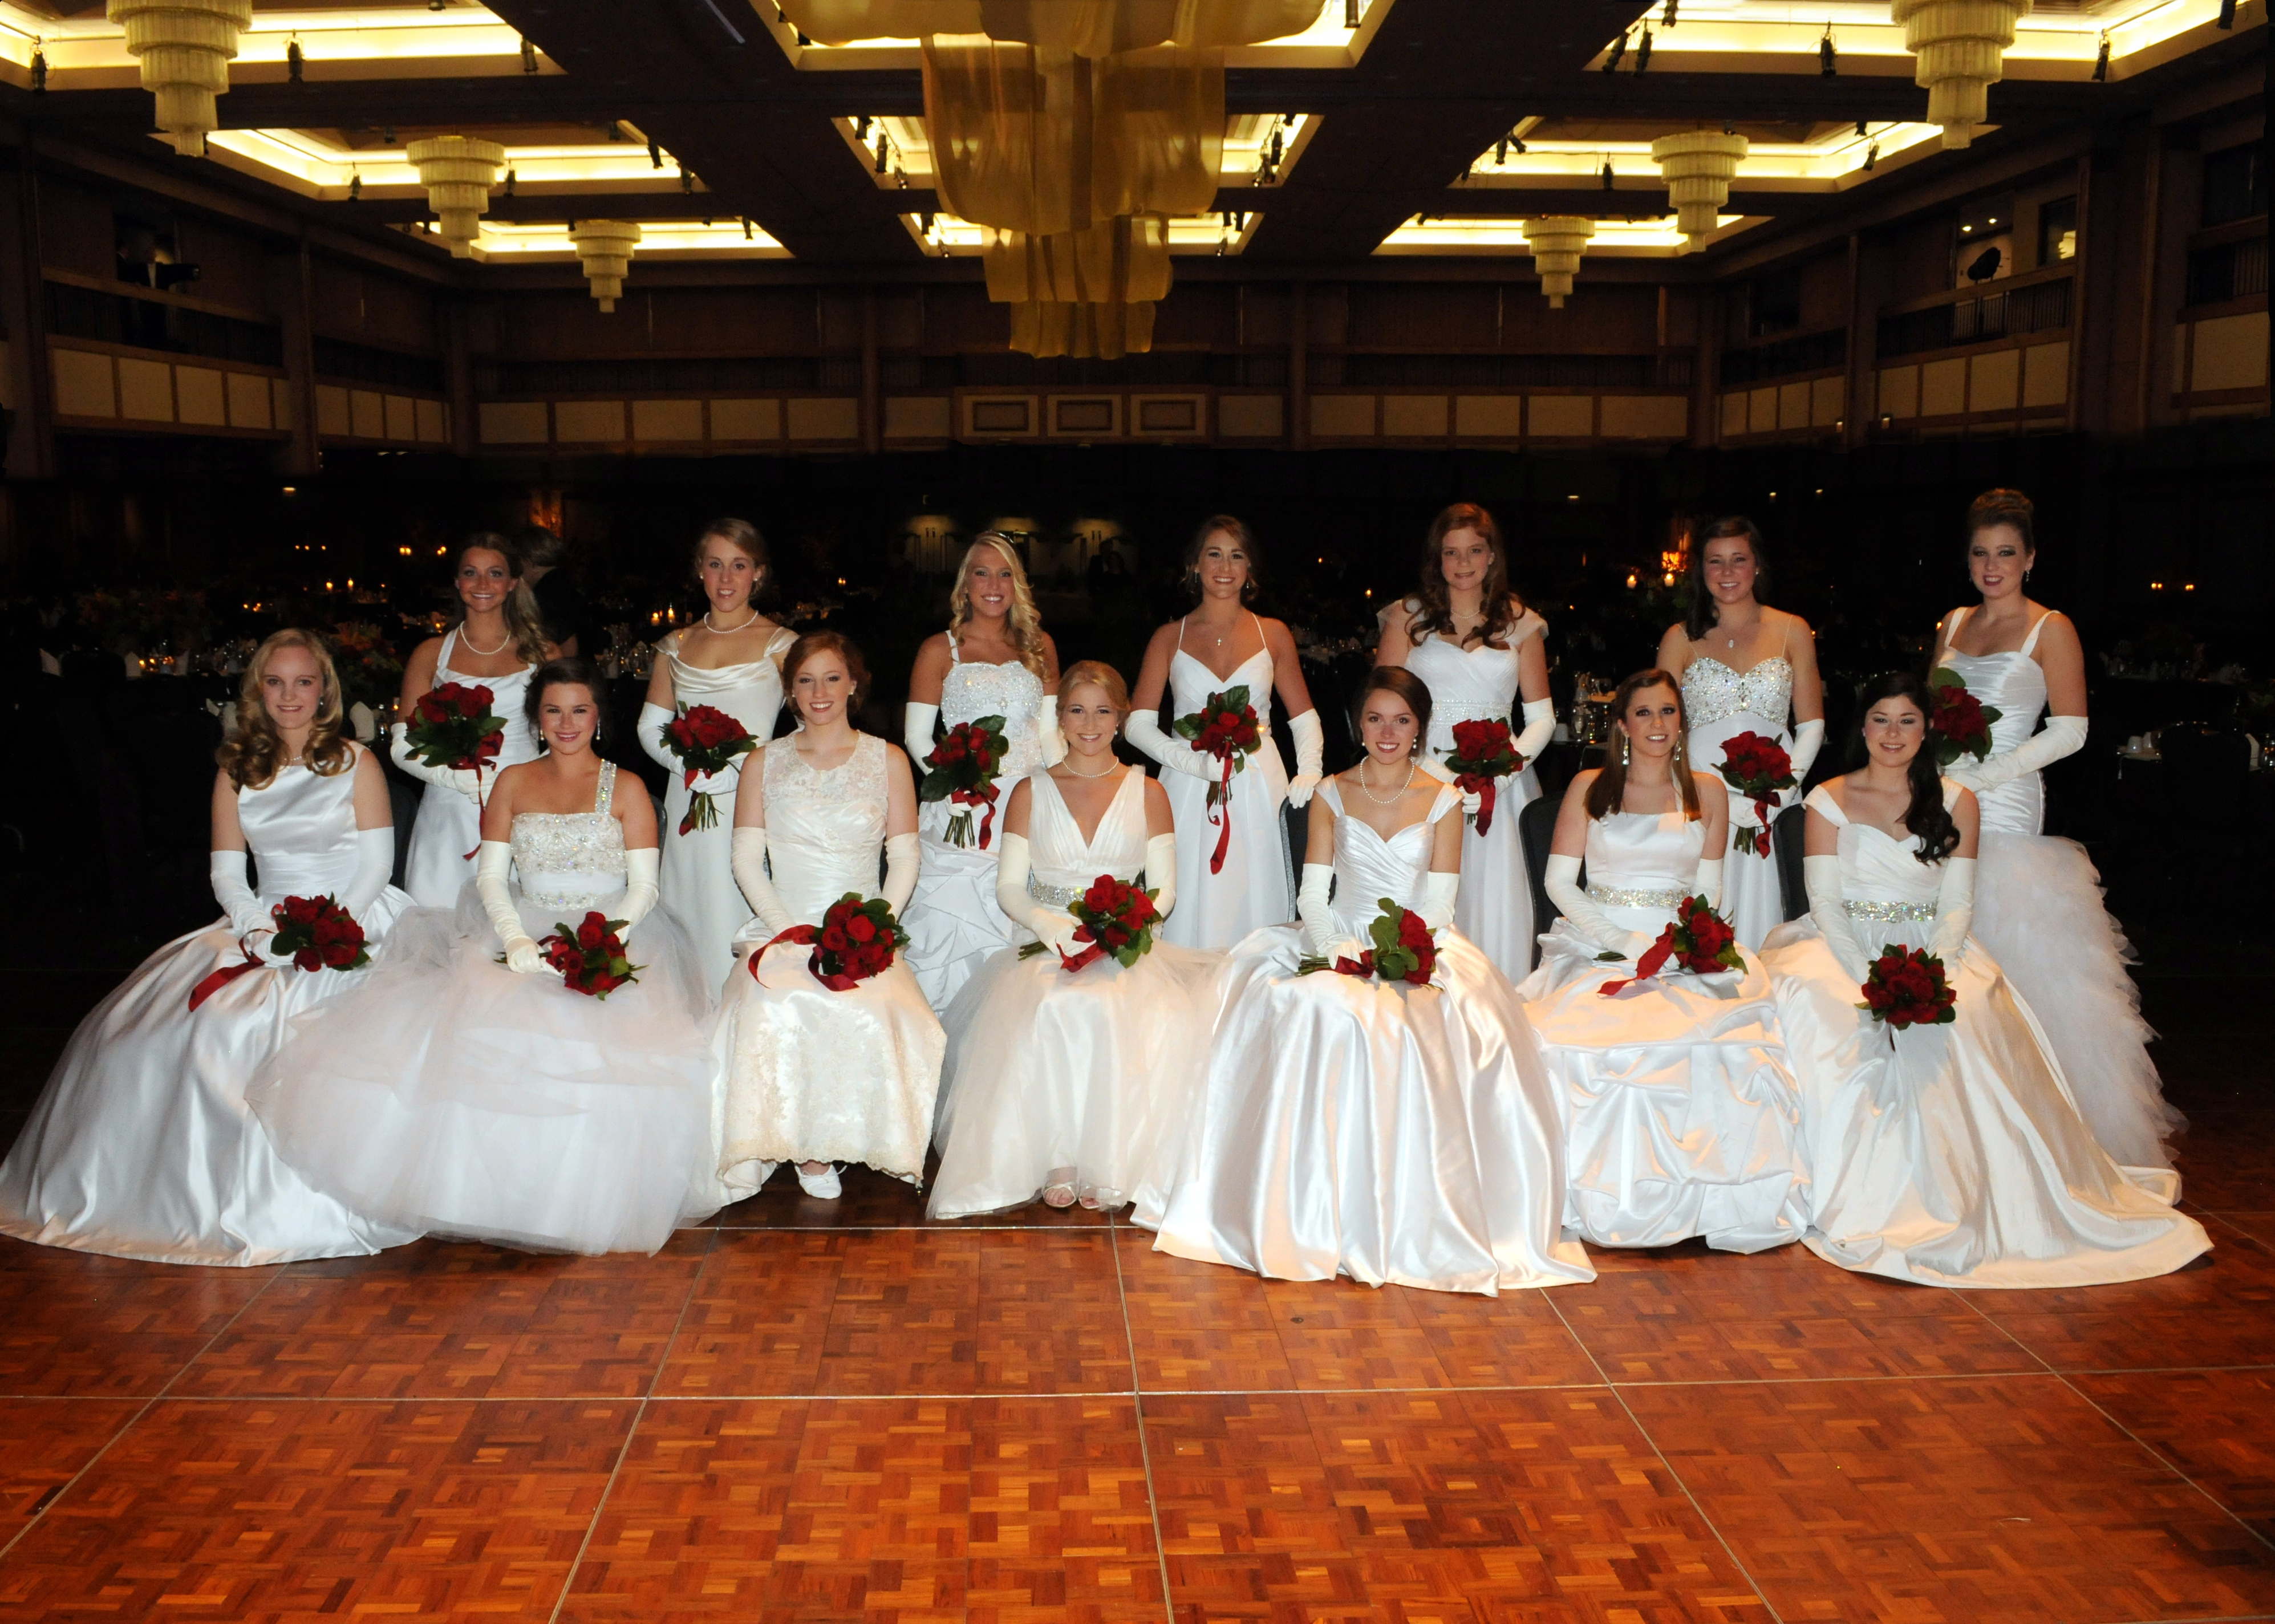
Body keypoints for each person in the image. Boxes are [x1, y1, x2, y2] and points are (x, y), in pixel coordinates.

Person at [1147, 668, 1592, 1295]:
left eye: (1403, 720)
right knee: (1318, 1007)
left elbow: (1440, 904)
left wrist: (1397, 952)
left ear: (1419, 728)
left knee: (1414, 1019)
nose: (1388, 732)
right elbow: (1312, 893)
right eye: (1376, 718)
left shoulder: (1443, 798)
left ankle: (1408, 1212)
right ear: (1358, 723)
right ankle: (1303, 1209)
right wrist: (1334, 950)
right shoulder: (1331, 791)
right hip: (1338, 934)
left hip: (1417, 941)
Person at [250, 659, 716, 1256]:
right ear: (536, 718)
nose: (566, 722)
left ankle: (580, 1203)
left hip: (610, 935)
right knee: (486, 1038)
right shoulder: (514, 781)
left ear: (598, 716)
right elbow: (492, 878)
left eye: (578, 709)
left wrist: (603, 939)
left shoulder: (623, 786)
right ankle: (507, 1199)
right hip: (521, 928)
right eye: (552, 710)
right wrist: (515, 939)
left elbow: (644, 887)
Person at [1760, 672, 2209, 1286]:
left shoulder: (1955, 799)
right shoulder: (1827, 800)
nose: (1893, 734)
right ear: (1861, 727)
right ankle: (1844, 1189)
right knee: (1827, 1007)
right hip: (1841, 943)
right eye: (1881, 720)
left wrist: (1932, 970)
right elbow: (1825, 903)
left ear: (1927, 731)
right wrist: (1873, 976)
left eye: (1907, 721)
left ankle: (1971, 1189)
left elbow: (1956, 907)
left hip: (1932, 945)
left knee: (1971, 1002)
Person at [0, 631, 415, 1265]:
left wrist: (320, 933)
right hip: (262, 921)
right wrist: (257, 931)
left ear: (325, 690)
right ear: (257, 690)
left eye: (303, 682)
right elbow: (227, 872)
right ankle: (170, 1193)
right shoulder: (237, 766)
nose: (289, 695)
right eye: (275, 682)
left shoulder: (356, 762)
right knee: (150, 1035)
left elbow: (376, 866)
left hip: (352, 918)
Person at [1930, 489, 2181, 1171]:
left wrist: (1989, 774)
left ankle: (2030, 1130)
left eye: (2005, 553)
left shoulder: (2051, 627)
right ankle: (1954, 1115)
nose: (1992, 566)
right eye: (1981, 553)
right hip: (1941, 795)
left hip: (2007, 797)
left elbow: (2071, 729)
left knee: (2005, 942)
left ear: (2030, 558)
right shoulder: (1951, 621)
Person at [1519, 669, 1808, 1254]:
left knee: (1719, 1033)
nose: (1657, 725)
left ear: (1682, 722)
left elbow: (1711, 892)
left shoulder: (1707, 790)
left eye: (1668, 713)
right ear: (1622, 725)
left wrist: (1684, 942)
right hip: (1599, 941)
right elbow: (1559, 885)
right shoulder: (1588, 787)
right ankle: (1607, 1196)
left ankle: (1709, 1201)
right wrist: (1622, 942)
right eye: (1644, 713)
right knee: (1595, 1036)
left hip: (1681, 945)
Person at [928, 661, 1216, 1219]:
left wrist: (1125, 928)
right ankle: (1056, 1158)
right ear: (1058, 718)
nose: (1089, 723)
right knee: (1049, 1006)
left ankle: (1106, 1159)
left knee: (1118, 1008)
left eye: (1102, 710)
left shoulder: (1149, 791)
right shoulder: (1029, 791)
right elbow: (1010, 887)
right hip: (1047, 940)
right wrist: (1049, 927)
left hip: (1123, 941)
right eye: (1076, 709)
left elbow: (1164, 892)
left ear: (1120, 719)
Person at [714, 632, 942, 1200]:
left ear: (853, 684)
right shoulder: (763, 763)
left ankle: (857, 1137)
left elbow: (906, 856)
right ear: (790, 691)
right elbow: (746, 860)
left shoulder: (886, 758)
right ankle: (801, 1148)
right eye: (806, 680)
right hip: (784, 926)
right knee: (773, 1002)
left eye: (832, 677)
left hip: (862, 929)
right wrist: (787, 930)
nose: (820, 692)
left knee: (877, 1007)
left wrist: (875, 927)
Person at [1375, 501, 1557, 981]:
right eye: (1451, 553)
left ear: (1492, 556)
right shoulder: (1406, 618)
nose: (1462, 563)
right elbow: (1384, 702)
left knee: (1496, 893)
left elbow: (1540, 717)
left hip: (1501, 779)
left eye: (1474, 551)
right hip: (1424, 773)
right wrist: (1431, 771)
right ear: (1437, 559)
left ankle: (1498, 997)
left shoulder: (1522, 622)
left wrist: (1501, 769)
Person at [1126, 515, 1323, 949]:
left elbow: (1303, 716)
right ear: (1194, 565)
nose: (1225, 566)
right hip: (1188, 783)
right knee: (1188, 884)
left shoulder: (1273, 633)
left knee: (1257, 885)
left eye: (1237, 555)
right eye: (1213, 553)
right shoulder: (1167, 637)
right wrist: (1194, 762)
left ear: (1249, 568)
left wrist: (1308, 771)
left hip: (1258, 782)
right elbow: (1137, 724)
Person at [901, 534, 1062, 1010]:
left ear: (1018, 585)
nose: (994, 584)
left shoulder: (1039, 645)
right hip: (964, 807)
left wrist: (1058, 792)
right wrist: (957, 781)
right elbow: (916, 737)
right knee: (956, 924)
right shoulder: (940, 649)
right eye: (982, 573)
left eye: (1005, 573)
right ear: (964, 585)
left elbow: (1050, 732)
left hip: (1028, 799)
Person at [638, 518, 797, 989]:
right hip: (687, 794)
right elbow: (651, 726)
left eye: (739, 565)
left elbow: (813, 722)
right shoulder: (676, 644)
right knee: (689, 901)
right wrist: (688, 767)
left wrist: (742, 772)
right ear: (699, 572)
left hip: (751, 799)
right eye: (715, 565)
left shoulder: (781, 645)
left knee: (738, 896)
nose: (726, 579)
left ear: (758, 575)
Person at [1658, 518, 1825, 949]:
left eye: (1738, 560)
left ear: (1757, 567)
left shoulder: (1792, 629)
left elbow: (1811, 726)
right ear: (1701, 570)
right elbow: (1658, 726)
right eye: (1715, 562)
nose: (1727, 572)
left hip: (1772, 798)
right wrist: (1693, 792)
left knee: (1769, 905)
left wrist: (1776, 798)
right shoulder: (1679, 638)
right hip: (1698, 795)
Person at [390, 536, 551, 907]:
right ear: (457, 583)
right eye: (470, 573)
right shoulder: (431, 653)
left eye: (495, 574)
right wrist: (452, 777)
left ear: (512, 582)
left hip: (523, 804)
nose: (482, 585)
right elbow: (401, 745)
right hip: (447, 805)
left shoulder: (541, 653)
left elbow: (566, 733)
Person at [516, 525, 593, 661]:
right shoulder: (567, 585)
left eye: (518, 562)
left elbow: (568, 648)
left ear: (531, 562)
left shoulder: (544, 596)